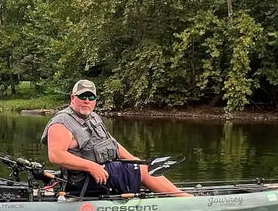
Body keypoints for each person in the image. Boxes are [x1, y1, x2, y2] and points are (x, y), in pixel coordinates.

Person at [41, 79, 187, 196]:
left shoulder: (93, 117)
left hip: (106, 170)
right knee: (142, 171)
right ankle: (184, 200)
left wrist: (133, 160)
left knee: (139, 166)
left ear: (95, 100)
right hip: (84, 179)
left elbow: (112, 143)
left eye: (91, 97)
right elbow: (56, 156)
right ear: (73, 98)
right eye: (82, 96)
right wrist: (91, 166)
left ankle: (172, 194)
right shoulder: (61, 123)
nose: (87, 100)